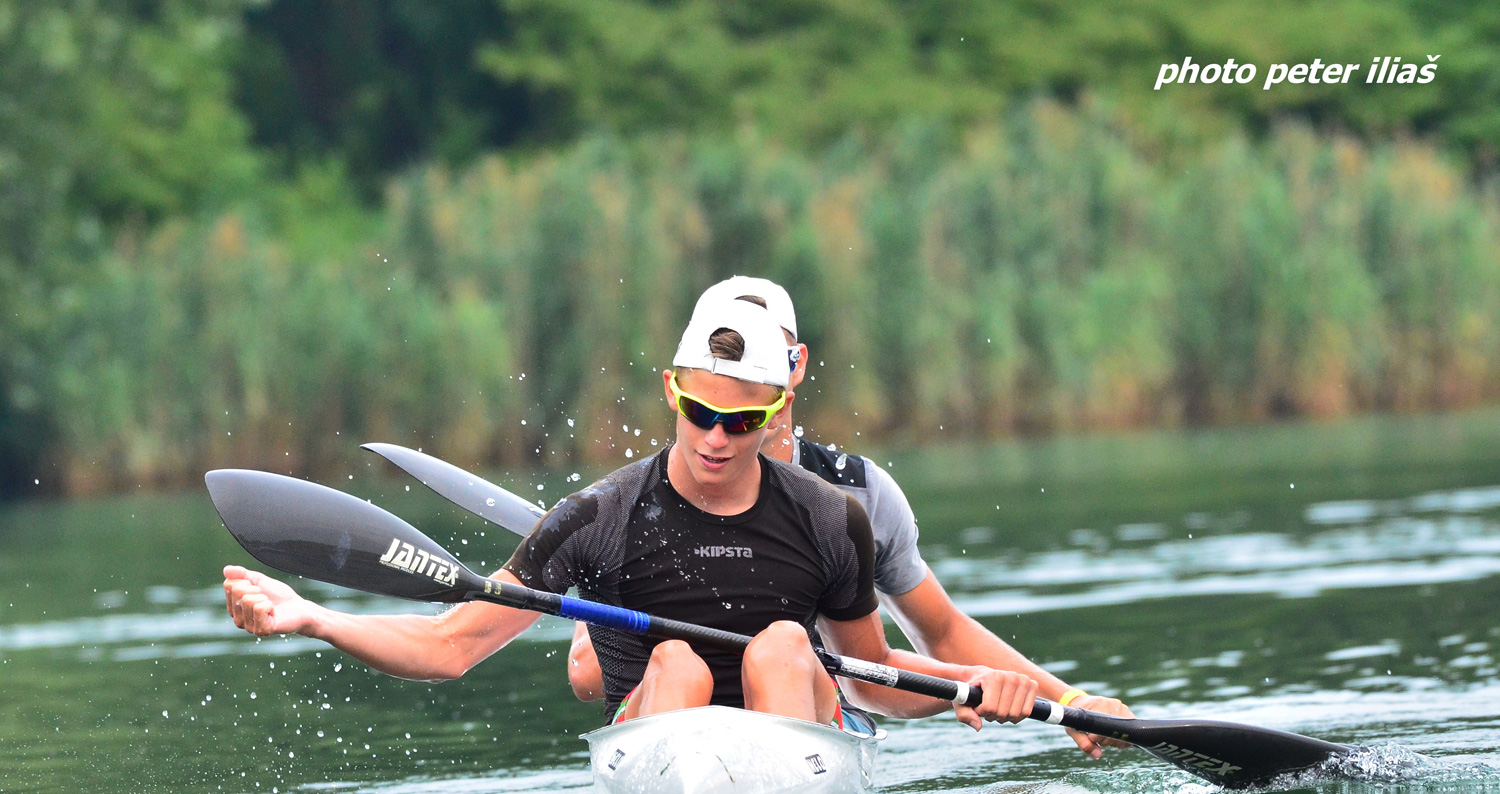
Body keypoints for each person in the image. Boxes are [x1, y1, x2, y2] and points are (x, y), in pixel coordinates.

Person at [222, 296, 1041, 733]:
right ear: (670, 392)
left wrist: (973, 689)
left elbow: (871, 678)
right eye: (698, 412)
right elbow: (447, 650)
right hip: (665, 747)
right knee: (677, 664)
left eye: (743, 420)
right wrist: (314, 618)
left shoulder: (834, 518)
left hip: (798, 730)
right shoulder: (596, 518)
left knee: (789, 645)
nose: (718, 438)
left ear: (780, 407)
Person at [566, 277, 1134, 756]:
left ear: (794, 367)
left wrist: (1069, 702)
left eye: (768, 353)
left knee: (786, 653)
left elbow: (937, 631)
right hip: (677, 718)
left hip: (815, 715)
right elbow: (590, 680)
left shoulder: (853, 497)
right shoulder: (631, 502)